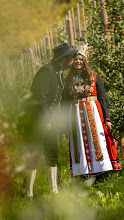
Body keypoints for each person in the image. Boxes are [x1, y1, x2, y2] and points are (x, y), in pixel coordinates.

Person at [24, 44, 77, 198]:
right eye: (71, 57)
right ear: (64, 59)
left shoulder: (58, 73)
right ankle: (28, 193)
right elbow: (41, 97)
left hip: (51, 121)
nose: (73, 60)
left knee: (52, 153)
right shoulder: (46, 71)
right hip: (38, 120)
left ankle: (54, 191)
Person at [63, 44, 122, 178]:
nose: (78, 62)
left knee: (97, 141)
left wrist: (107, 118)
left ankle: (101, 172)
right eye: (76, 59)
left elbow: (102, 97)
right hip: (76, 116)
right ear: (72, 62)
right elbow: (65, 101)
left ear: (85, 62)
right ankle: (82, 172)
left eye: (80, 59)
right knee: (79, 142)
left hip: (94, 114)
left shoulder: (94, 76)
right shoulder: (68, 80)